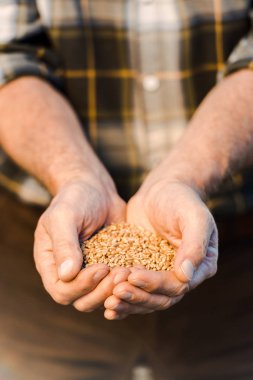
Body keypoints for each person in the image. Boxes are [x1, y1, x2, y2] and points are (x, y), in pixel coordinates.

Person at [1, 1, 253, 379]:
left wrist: (185, 175)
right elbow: (9, 59)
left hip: (234, 256)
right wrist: (75, 175)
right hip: (51, 238)